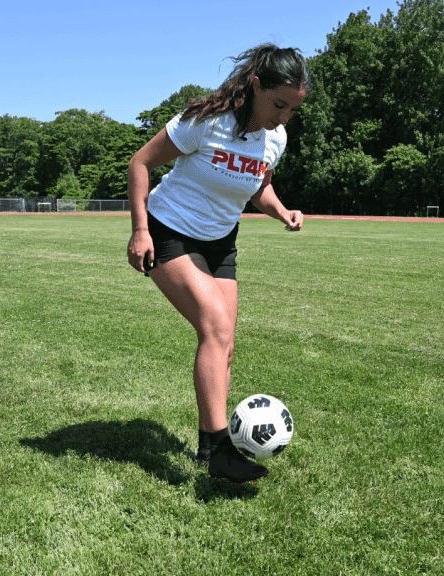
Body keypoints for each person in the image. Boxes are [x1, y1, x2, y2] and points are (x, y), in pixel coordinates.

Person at [126, 44, 311, 484]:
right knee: (214, 325)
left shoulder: (275, 139)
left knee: (224, 342)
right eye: (278, 104)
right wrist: (139, 230)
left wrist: (282, 211)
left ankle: (210, 449)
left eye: (292, 110)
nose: (283, 117)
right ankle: (221, 453)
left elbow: (257, 188)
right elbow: (140, 163)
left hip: (220, 242)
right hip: (168, 230)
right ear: (255, 85)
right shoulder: (206, 122)